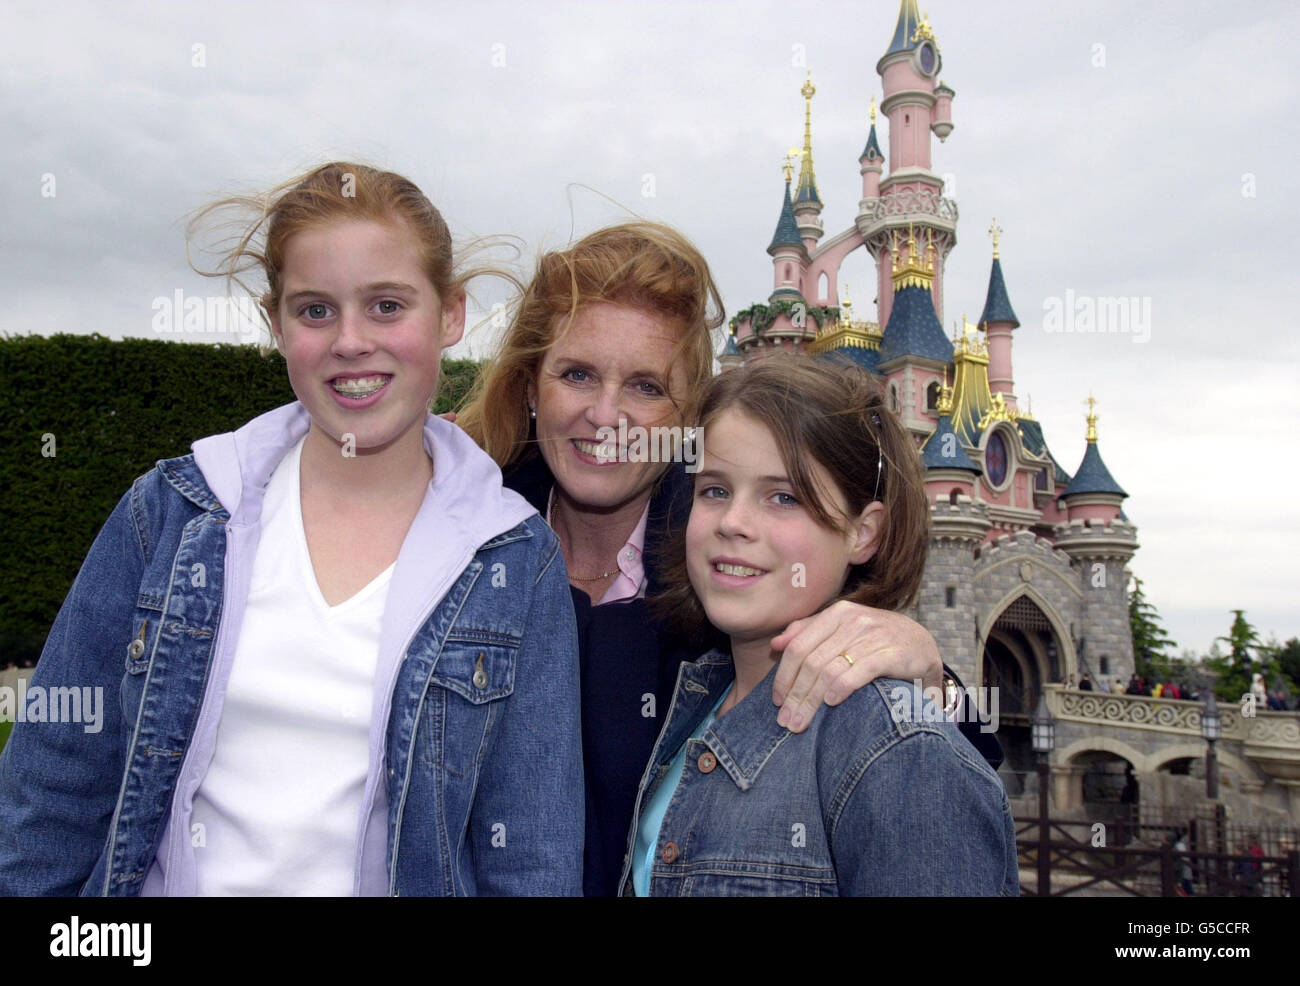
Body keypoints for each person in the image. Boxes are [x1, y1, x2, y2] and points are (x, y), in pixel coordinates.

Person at [0, 162, 584, 896]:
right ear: (276, 324)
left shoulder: (514, 556)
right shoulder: (172, 511)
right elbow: (53, 785)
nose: (349, 341)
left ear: (451, 314)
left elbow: (531, 855)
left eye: (387, 305)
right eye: (315, 310)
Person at [456, 221, 1002, 895]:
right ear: (531, 387)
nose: (607, 414)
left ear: (689, 418)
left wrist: (926, 676)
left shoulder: (725, 580)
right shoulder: (461, 547)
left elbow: (928, 792)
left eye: (647, 388)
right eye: (576, 374)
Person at [619, 356, 1017, 896]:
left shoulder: (898, 750)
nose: (733, 522)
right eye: (714, 490)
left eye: (783, 497)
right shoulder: (690, 699)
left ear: (864, 532)